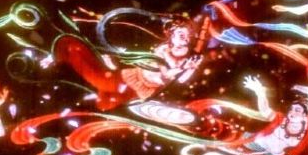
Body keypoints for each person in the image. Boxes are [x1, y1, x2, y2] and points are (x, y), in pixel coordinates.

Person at [48, 19, 203, 111]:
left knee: (104, 104)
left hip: (142, 90)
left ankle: (69, 52)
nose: (184, 38)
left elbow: (177, 79)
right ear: (172, 35)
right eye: (180, 34)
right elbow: (160, 69)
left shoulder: (186, 56)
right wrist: (182, 68)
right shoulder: (163, 48)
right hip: (129, 79)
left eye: (187, 36)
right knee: (96, 78)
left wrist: (189, 69)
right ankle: (70, 48)